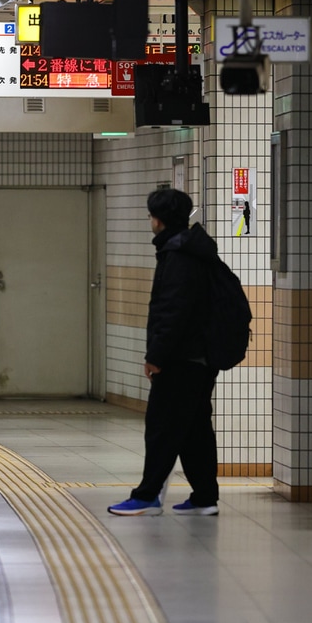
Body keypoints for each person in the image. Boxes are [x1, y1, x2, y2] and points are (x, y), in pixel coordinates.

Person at [108, 188, 221, 517]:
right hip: (200, 358)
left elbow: (172, 311)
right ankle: (204, 497)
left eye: (151, 215)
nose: (150, 221)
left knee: (162, 427)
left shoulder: (178, 255)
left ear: (159, 219)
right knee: (195, 427)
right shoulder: (194, 249)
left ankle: (147, 496)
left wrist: (155, 356)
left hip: (181, 359)